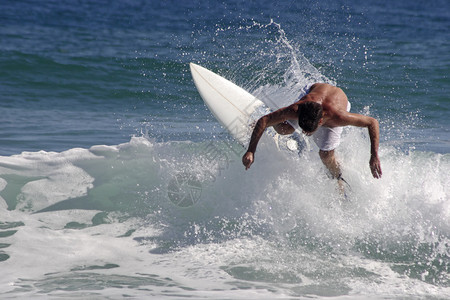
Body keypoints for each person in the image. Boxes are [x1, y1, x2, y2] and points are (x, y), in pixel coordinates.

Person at [242, 83, 382, 184]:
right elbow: (264, 119)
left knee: (326, 155)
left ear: (321, 121)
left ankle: (338, 179)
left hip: (335, 104)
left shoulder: (339, 117)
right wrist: (251, 151)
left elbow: (372, 122)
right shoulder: (297, 108)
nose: (304, 133)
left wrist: (374, 155)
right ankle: (273, 123)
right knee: (285, 129)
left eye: (307, 130)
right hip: (313, 96)